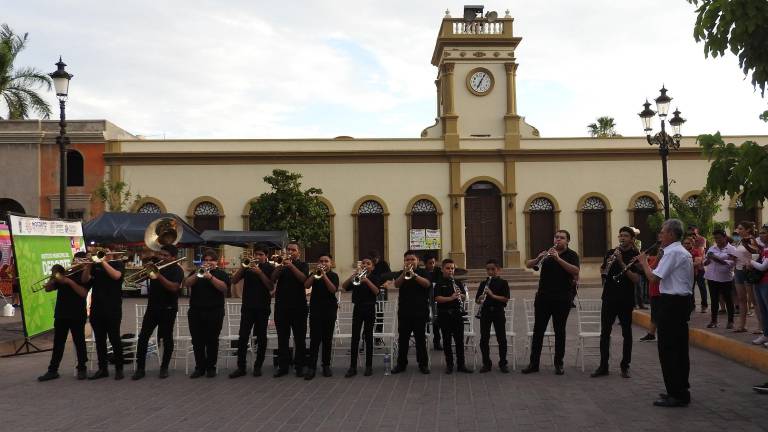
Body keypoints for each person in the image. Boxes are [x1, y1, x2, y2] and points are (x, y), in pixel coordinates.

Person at [638, 219, 694, 407]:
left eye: (662, 232)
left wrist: (644, 262)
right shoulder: (678, 251)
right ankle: (680, 389)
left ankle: (676, 393)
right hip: (679, 302)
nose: (660, 236)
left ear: (670, 234)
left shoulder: (673, 252)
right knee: (679, 348)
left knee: (668, 349)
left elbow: (653, 278)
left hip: (672, 303)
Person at [522, 230, 580, 375]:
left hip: (562, 299)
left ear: (567, 241)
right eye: (556, 237)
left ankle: (558, 364)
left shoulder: (572, 255)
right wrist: (538, 258)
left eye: (562, 238)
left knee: (559, 331)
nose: (558, 239)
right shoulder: (548, 253)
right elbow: (528, 265)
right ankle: (534, 364)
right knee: (538, 331)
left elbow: (575, 271)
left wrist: (558, 259)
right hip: (543, 298)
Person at [592, 226, 641, 379]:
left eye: (625, 236)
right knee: (605, 333)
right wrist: (607, 266)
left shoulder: (636, 256)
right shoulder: (611, 252)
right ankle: (603, 366)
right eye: (620, 236)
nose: (622, 238)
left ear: (632, 239)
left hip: (625, 299)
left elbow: (636, 279)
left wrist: (620, 262)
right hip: (609, 297)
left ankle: (625, 366)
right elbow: (602, 271)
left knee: (627, 333)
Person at [132, 245, 185, 380]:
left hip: (168, 308)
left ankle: (164, 367)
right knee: (143, 337)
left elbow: (173, 288)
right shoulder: (156, 266)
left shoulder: (177, 270)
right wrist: (146, 271)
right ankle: (140, 369)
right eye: (161, 254)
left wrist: (158, 275)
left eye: (165, 255)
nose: (162, 257)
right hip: (152, 308)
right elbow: (139, 280)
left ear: (173, 257)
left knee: (167, 338)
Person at [38, 252, 89, 381]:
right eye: (75, 260)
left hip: (77, 314)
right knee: (58, 343)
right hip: (61, 313)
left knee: (79, 342)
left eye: (79, 261)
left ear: (84, 263)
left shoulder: (85, 276)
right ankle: (52, 370)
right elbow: (48, 289)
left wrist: (69, 282)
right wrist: (53, 278)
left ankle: (82, 368)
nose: (75, 262)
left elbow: (83, 293)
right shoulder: (64, 274)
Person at [229, 244, 274, 378]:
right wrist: (243, 267)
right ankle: (241, 367)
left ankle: (258, 366)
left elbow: (270, 286)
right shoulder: (247, 267)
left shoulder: (269, 268)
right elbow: (234, 280)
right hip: (247, 307)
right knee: (243, 336)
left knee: (261, 337)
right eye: (256, 254)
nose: (258, 257)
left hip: (262, 307)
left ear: (266, 256)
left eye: (261, 255)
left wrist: (260, 273)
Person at [184, 249, 229, 378]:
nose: (208, 262)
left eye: (211, 260)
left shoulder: (221, 273)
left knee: (212, 340)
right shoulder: (197, 272)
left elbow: (224, 288)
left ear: (216, 262)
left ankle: (211, 367)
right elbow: (186, 283)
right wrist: (198, 273)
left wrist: (210, 277)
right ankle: (199, 367)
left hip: (215, 311)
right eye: (206, 260)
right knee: (197, 341)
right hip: (196, 311)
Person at [82, 248, 125, 380]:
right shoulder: (94, 266)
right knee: (99, 340)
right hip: (96, 308)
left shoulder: (118, 264)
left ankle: (119, 369)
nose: (103, 254)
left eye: (106, 251)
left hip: (113, 308)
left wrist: (102, 262)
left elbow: (116, 276)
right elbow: (84, 280)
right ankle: (102, 369)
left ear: (111, 253)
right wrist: (88, 266)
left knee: (114, 338)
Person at [271, 242, 309, 378]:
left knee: (300, 338)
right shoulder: (281, 265)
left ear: (299, 252)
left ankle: (300, 366)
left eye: (293, 250)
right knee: (282, 338)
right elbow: (272, 279)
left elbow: (304, 280)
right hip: (281, 306)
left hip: (299, 306)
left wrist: (291, 266)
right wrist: (280, 266)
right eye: (288, 249)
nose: (290, 252)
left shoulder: (303, 265)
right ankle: (283, 366)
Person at [391, 250, 431, 374]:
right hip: (404, 311)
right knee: (403, 339)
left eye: (412, 259)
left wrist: (414, 275)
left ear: (418, 261)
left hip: (420, 311)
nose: (410, 261)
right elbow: (396, 285)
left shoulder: (423, 272)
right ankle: (401, 364)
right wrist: (404, 273)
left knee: (420, 339)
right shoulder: (401, 272)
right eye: (407, 260)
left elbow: (427, 284)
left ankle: (423, 364)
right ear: (404, 261)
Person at [342, 256, 380, 377]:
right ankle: (352, 367)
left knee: (368, 337)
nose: (365, 265)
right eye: (363, 263)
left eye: (368, 263)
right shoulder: (356, 277)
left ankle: (369, 366)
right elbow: (344, 287)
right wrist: (352, 276)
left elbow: (376, 292)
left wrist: (367, 281)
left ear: (372, 267)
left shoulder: (374, 277)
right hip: (358, 308)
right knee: (355, 337)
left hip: (370, 308)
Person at [434, 259, 472, 374]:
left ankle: (461, 365)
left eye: (452, 268)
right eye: (448, 268)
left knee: (459, 341)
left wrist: (461, 296)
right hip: (444, 314)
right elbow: (437, 298)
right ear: (442, 269)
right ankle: (449, 365)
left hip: (457, 314)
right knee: (447, 341)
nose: (450, 270)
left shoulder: (457, 282)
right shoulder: (439, 283)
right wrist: (451, 298)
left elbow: (464, 297)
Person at [304, 254, 339, 380]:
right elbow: (306, 285)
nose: (323, 263)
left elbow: (333, 290)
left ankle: (326, 365)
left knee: (327, 339)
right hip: (316, 309)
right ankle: (312, 367)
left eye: (326, 261)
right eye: (321, 261)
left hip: (329, 310)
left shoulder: (333, 275)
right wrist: (314, 275)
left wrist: (324, 276)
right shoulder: (314, 273)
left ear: (331, 263)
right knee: (314, 339)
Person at [475, 258, 510, 373]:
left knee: (501, 338)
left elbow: (505, 299)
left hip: (498, 312)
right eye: (488, 269)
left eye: (492, 269)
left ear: (498, 270)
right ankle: (486, 363)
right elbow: (477, 301)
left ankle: (503, 363)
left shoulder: (503, 283)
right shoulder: (483, 283)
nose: (490, 272)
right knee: (484, 339)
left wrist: (492, 295)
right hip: (485, 312)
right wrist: (480, 298)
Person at [703, 229, 737, 329]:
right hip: (712, 277)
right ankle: (714, 321)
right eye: (715, 238)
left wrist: (716, 258)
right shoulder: (712, 248)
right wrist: (709, 260)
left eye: (719, 238)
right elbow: (705, 262)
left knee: (728, 299)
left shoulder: (732, 249)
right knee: (714, 300)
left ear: (725, 237)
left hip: (725, 278)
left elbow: (731, 263)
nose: (717, 240)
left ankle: (730, 321)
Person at [733, 221, 759, 333]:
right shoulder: (739, 240)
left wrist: (750, 263)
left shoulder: (752, 239)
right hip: (738, 270)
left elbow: (756, 253)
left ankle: (761, 326)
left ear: (748, 230)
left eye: (741, 228)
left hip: (748, 272)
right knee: (741, 299)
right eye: (738, 228)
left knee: (754, 300)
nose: (738, 231)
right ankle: (742, 325)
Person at [639, 235, 662, 342]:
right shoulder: (652, 258)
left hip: (660, 291)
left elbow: (652, 269)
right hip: (654, 290)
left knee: (659, 314)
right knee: (654, 313)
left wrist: (644, 262)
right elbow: (646, 269)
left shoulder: (664, 259)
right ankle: (651, 333)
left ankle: (655, 334)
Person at [748, 225, 768, 347]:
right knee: (763, 310)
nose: (761, 235)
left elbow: (763, 267)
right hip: (760, 281)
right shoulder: (764, 248)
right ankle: (766, 334)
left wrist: (751, 262)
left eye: (764, 233)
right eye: (760, 232)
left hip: (766, 282)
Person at [423, 253, 443, 351]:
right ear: (425, 264)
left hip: (436, 299)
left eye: (433, 263)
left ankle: (437, 342)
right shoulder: (423, 272)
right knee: (426, 321)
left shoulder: (438, 271)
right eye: (430, 263)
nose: (432, 265)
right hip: (425, 299)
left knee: (436, 321)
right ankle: (425, 341)